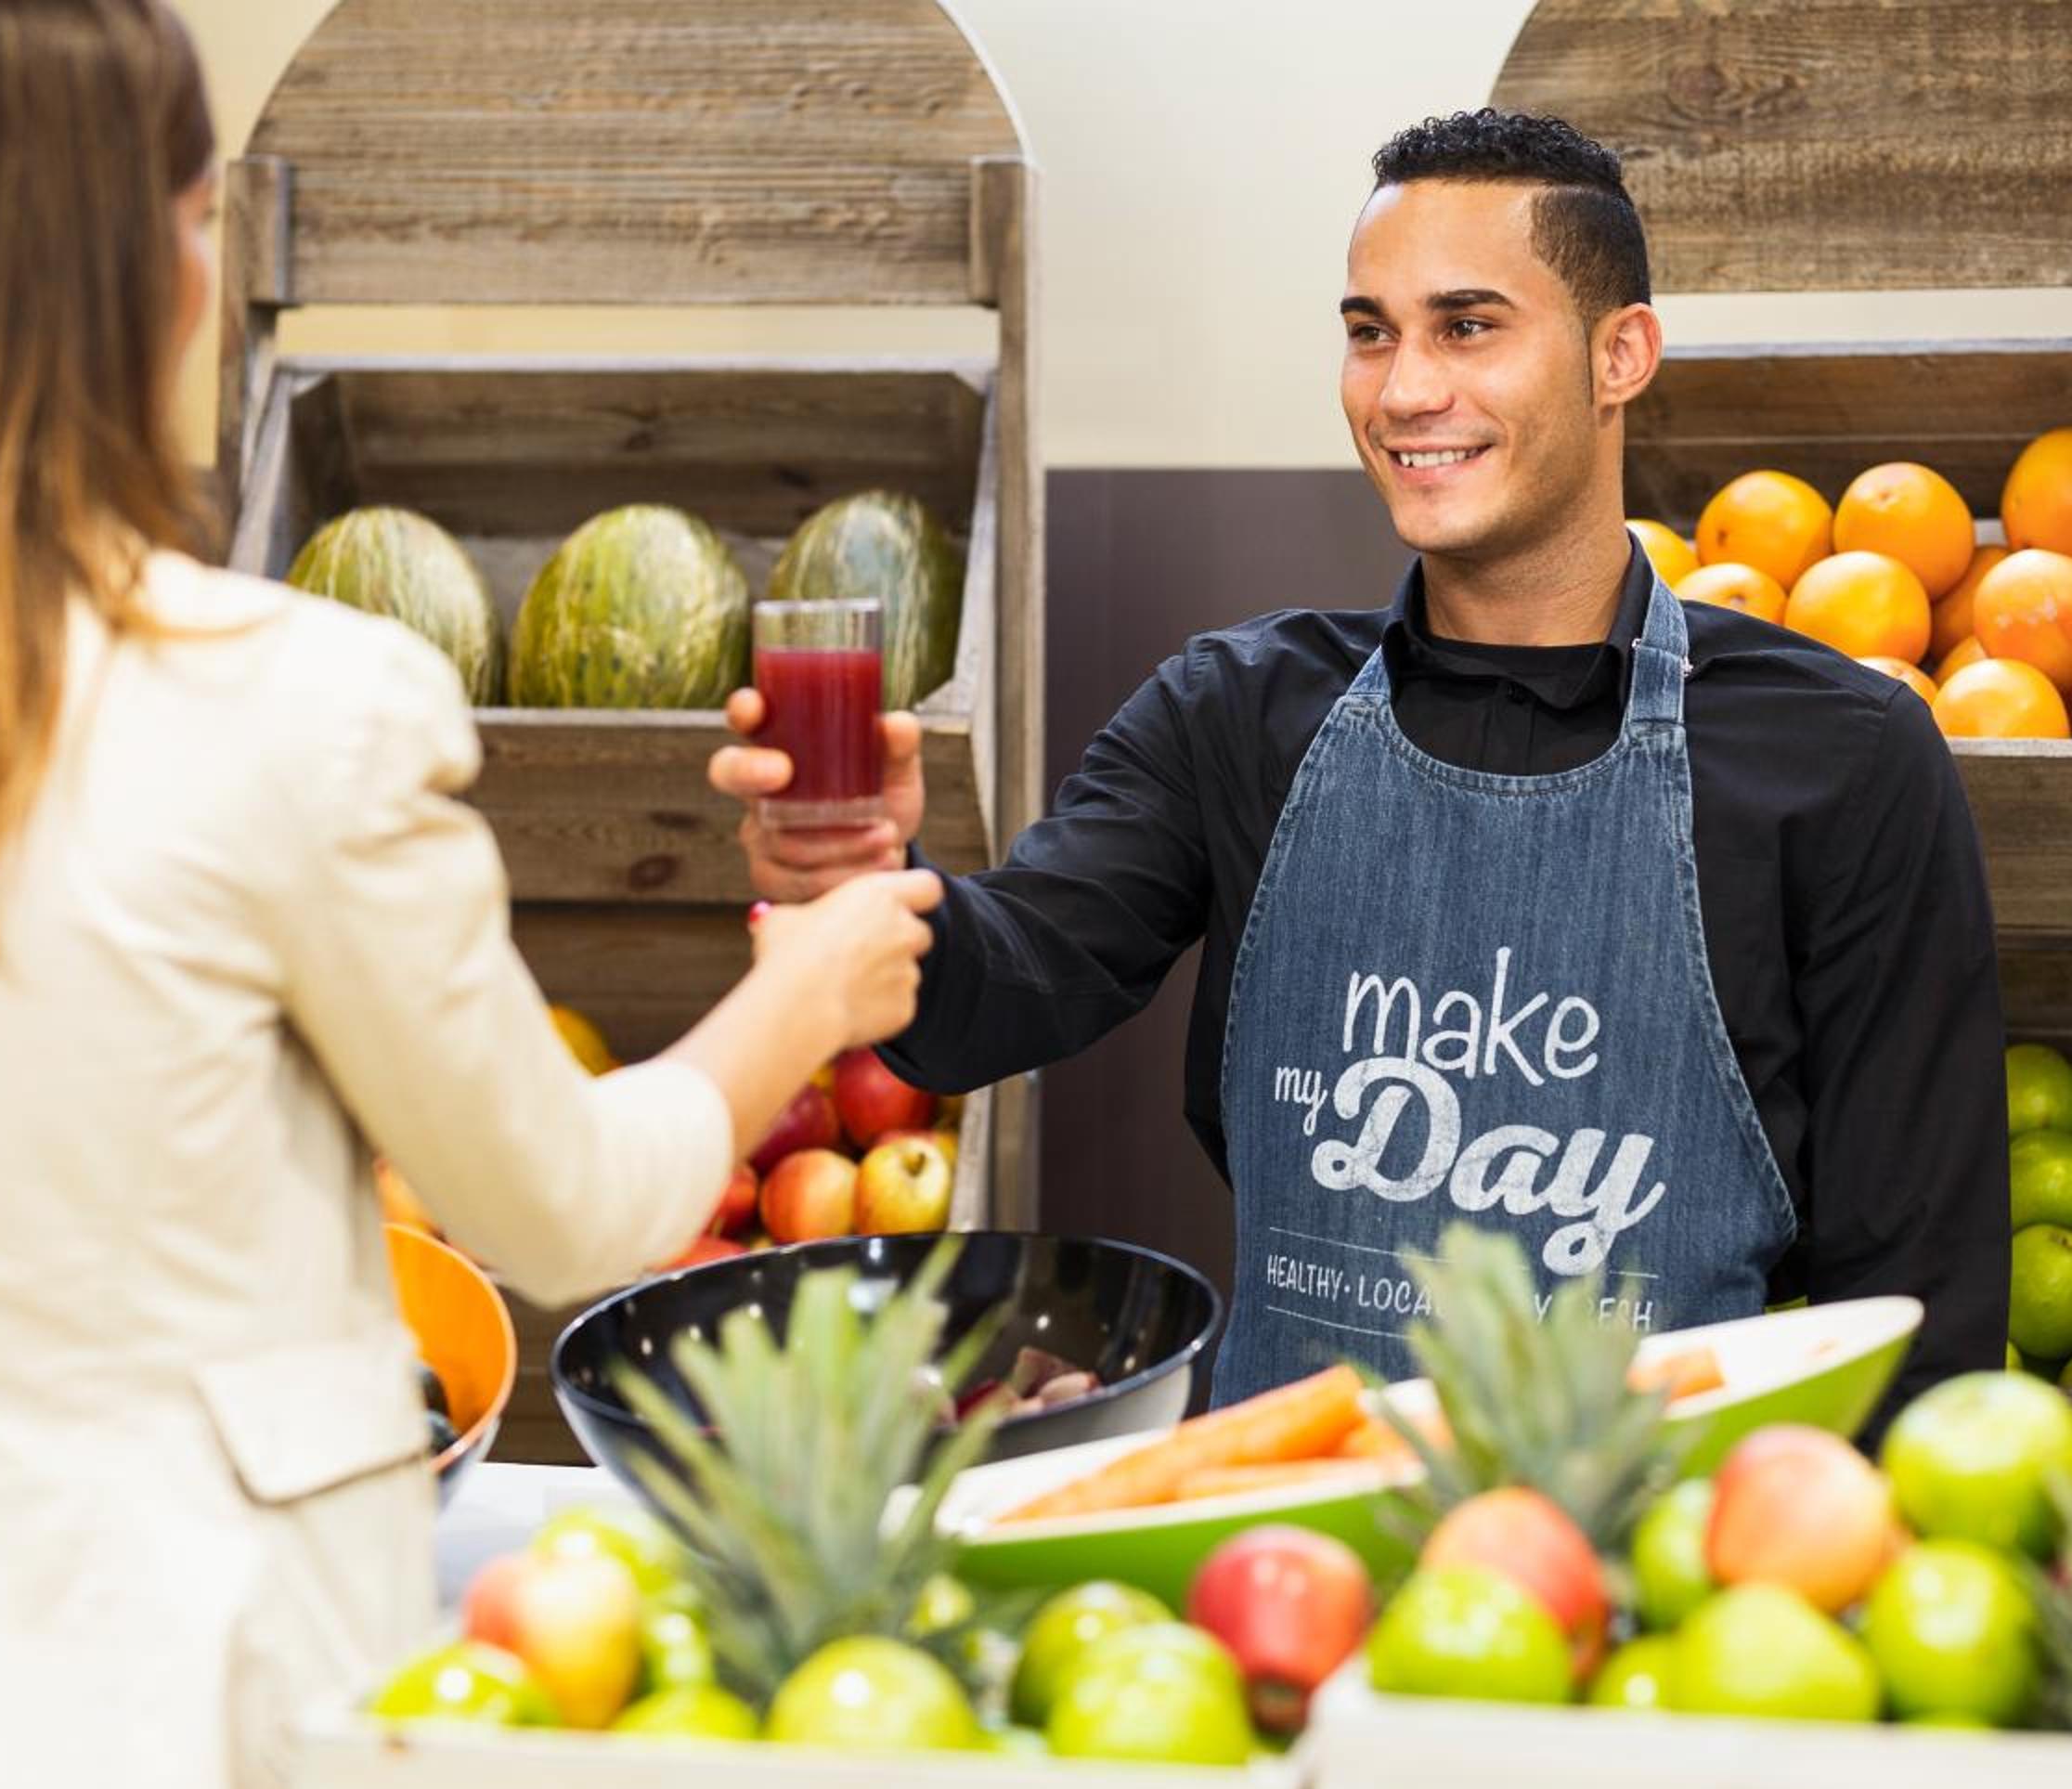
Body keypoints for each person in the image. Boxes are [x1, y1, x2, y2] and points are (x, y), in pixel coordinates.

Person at [0, 4, 939, 1789]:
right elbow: (558, 1204)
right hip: (175, 1701)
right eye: (196, 215)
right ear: (136, 275)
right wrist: (798, 995)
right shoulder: (281, 705)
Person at [716, 110, 2005, 1412]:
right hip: (1280, 1527)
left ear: (1620, 355)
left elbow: (1917, 1323)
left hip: (1651, 1535)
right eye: (1370, 331)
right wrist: (866, 876)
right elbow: (994, 1001)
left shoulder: (1843, 758)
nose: (1403, 392)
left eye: (1468, 326)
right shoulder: (1234, 712)